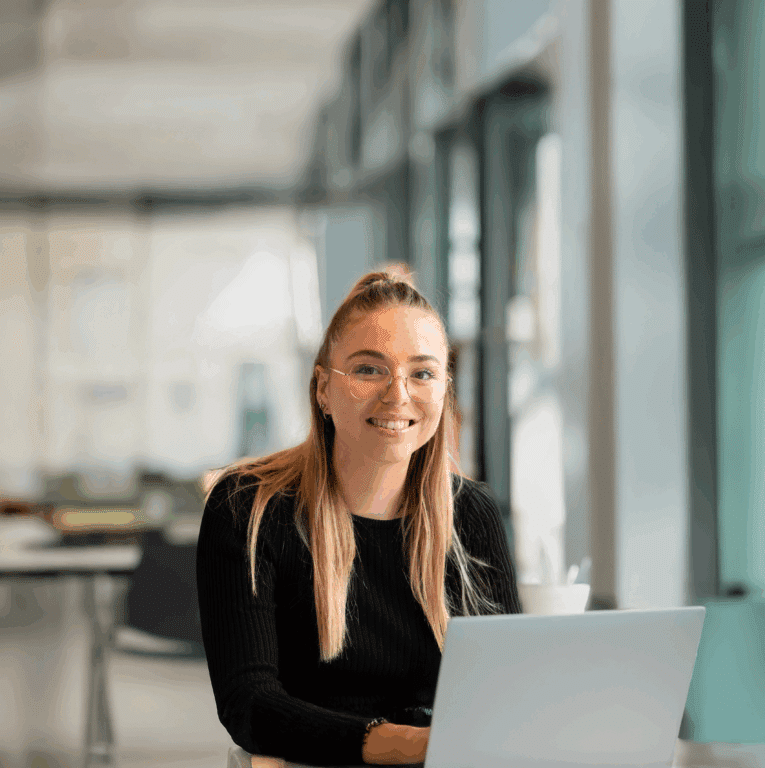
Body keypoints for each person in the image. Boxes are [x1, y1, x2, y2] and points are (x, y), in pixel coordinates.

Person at [196, 269, 521, 767]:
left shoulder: (471, 513)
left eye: (423, 372)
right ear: (323, 388)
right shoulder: (248, 509)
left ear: (444, 389)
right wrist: (404, 745)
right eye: (370, 369)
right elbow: (250, 705)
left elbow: (502, 692)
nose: (398, 394)